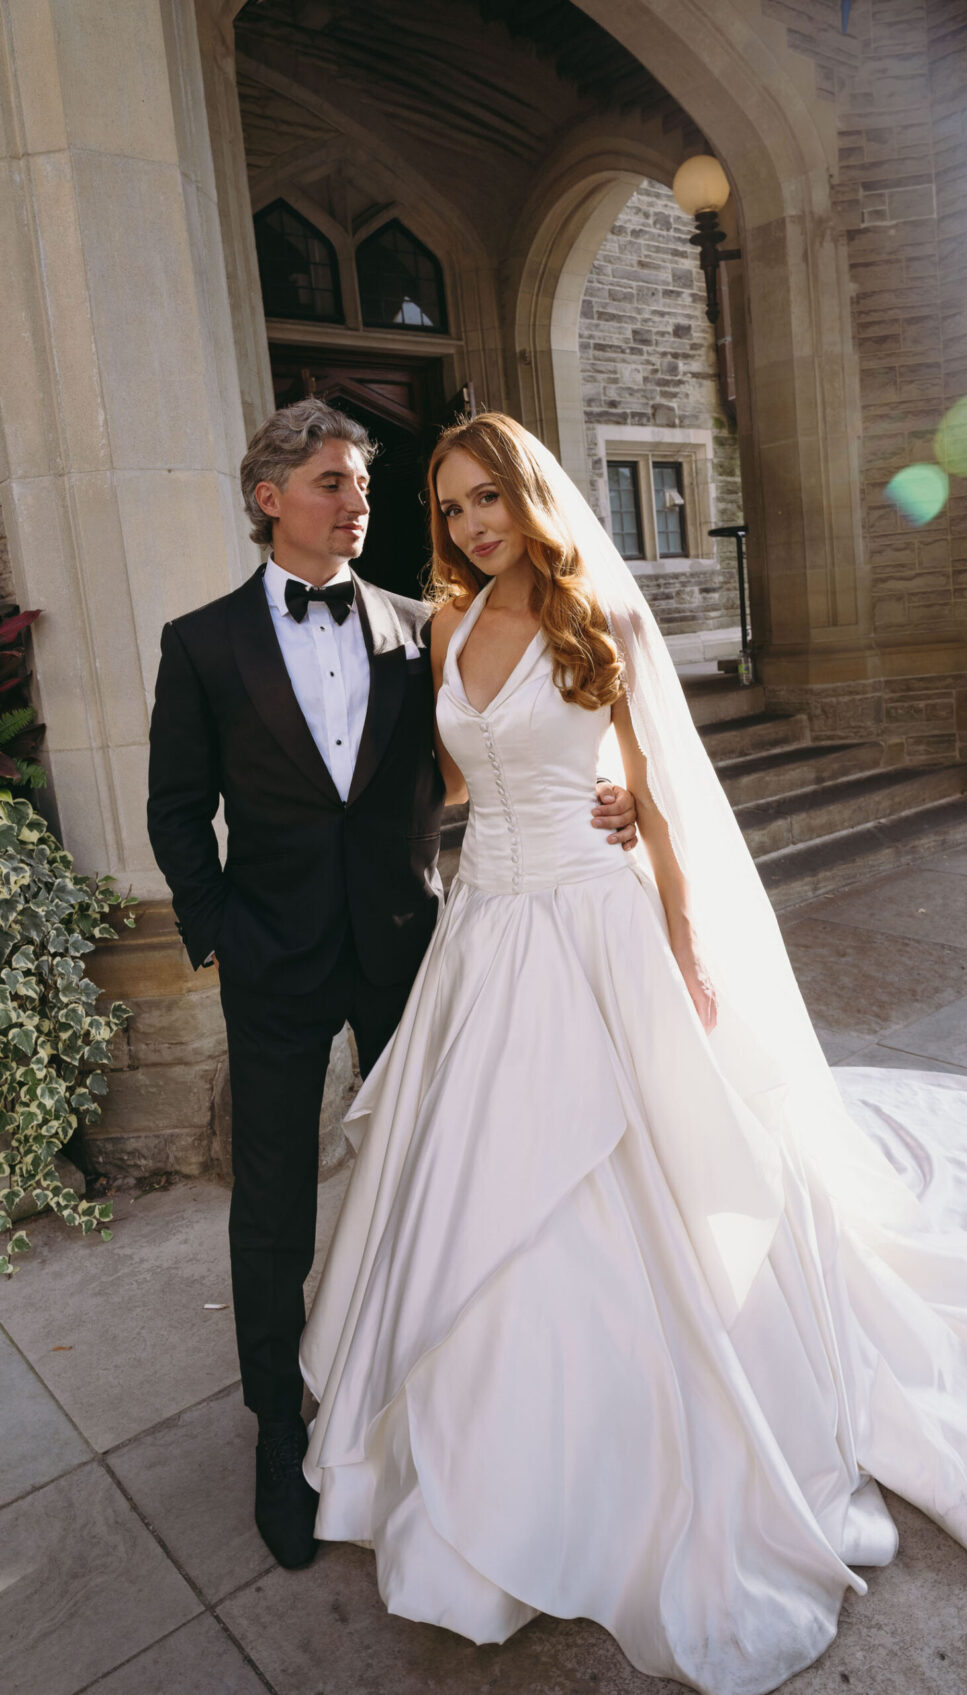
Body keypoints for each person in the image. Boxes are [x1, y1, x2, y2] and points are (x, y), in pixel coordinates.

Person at [300, 411, 967, 1695]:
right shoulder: (448, 629)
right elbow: (461, 788)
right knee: (467, 1179)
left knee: (638, 1171)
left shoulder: (604, 628)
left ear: (531, 501)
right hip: (488, 936)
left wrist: (680, 938)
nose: (471, 525)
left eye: (489, 500)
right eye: (450, 505)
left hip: (595, 925)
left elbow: (664, 799)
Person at [145, 399, 638, 1573]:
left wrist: (606, 796)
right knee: (272, 1206)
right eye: (331, 482)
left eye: (364, 484)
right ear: (271, 499)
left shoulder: (427, 627)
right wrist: (219, 929)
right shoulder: (201, 643)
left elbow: (492, 753)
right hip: (272, 959)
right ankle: (280, 1429)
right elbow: (176, 808)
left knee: (427, 1176)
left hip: (413, 948)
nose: (357, 501)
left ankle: (420, 1397)